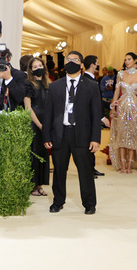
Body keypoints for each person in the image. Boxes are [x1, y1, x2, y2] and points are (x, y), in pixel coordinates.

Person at [43, 51, 102, 215]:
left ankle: (90, 204)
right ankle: (58, 201)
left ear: (81, 64)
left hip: (82, 135)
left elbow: (96, 114)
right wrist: (46, 136)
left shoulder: (91, 86)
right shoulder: (55, 86)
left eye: (75, 60)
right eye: (68, 59)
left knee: (85, 171)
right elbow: (48, 113)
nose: (71, 62)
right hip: (60, 134)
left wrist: (95, 138)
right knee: (59, 171)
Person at [109, 52, 137, 174]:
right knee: (121, 134)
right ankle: (122, 164)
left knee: (133, 135)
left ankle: (130, 164)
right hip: (121, 106)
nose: (126, 61)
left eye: (129, 59)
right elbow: (116, 91)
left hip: (135, 107)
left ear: (135, 60)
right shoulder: (120, 74)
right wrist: (113, 108)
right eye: (125, 59)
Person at [24, 57, 51, 196]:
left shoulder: (49, 84)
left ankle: (40, 185)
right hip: (34, 123)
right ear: (30, 69)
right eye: (35, 66)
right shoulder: (28, 84)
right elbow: (28, 108)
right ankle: (33, 185)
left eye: (40, 65)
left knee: (44, 153)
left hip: (47, 122)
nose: (38, 68)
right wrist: (40, 125)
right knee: (34, 152)